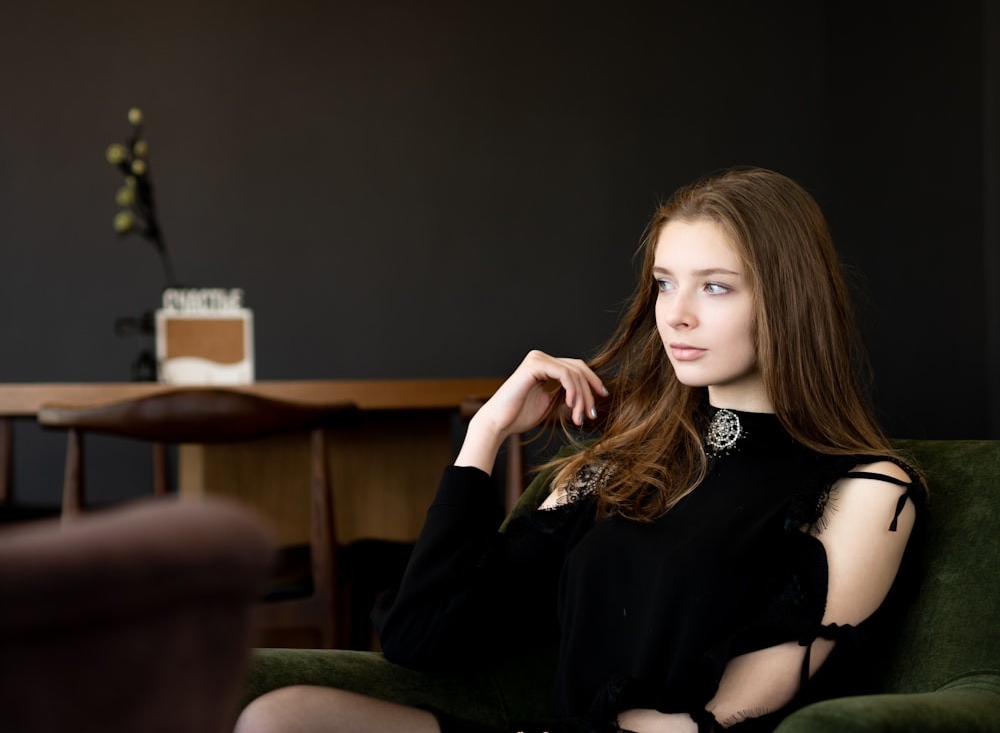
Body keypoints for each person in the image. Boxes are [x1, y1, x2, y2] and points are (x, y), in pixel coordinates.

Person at [235, 167, 924, 732]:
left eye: (714, 286)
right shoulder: (622, 465)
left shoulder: (866, 490)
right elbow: (423, 638)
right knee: (281, 717)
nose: (675, 314)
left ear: (788, 302)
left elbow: (739, 709)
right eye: (664, 282)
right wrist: (486, 434)